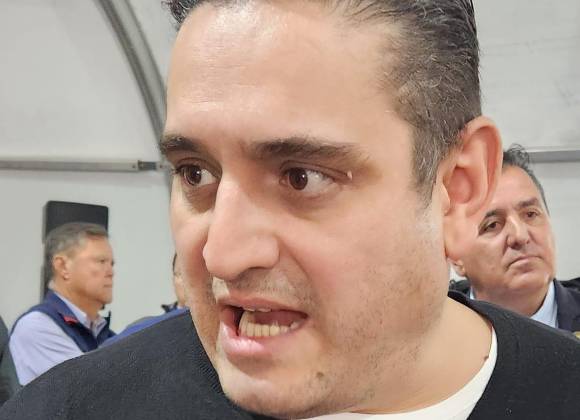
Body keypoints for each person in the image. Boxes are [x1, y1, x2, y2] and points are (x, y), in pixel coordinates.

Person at [2, 1, 580, 419]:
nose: (222, 253)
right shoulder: (73, 409)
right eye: (195, 173)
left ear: (458, 187)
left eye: (301, 177)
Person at [449, 145, 580, 333]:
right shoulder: (431, 334)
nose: (520, 236)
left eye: (531, 214)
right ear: (456, 258)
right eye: (492, 225)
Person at [8, 222, 115, 386]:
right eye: (101, 261)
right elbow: (95, 389)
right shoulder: (36, 328)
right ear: (62, 266)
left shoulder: (104, 334)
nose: (111, 272)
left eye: (112, 263)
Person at [103, 253, 189, 346]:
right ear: (173, 279)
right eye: (182, 273)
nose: (190, 280)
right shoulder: (147, 328)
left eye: (197, 273)